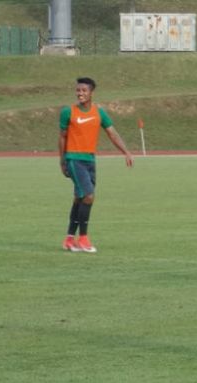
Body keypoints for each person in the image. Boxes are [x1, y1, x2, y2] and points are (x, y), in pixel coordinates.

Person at [59, 77, 134, 254]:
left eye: (84, 90)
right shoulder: (68, 112)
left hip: (90, 160)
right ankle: (83, 238)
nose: (80, 93)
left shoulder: (99, 113)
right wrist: (62, 161)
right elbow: (62, 137)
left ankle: (69, 239)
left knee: (80, 198)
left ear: (91, 92)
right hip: (74, 159)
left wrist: (126, 152)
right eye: (78, 90)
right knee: (89, 196)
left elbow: (112, 134)